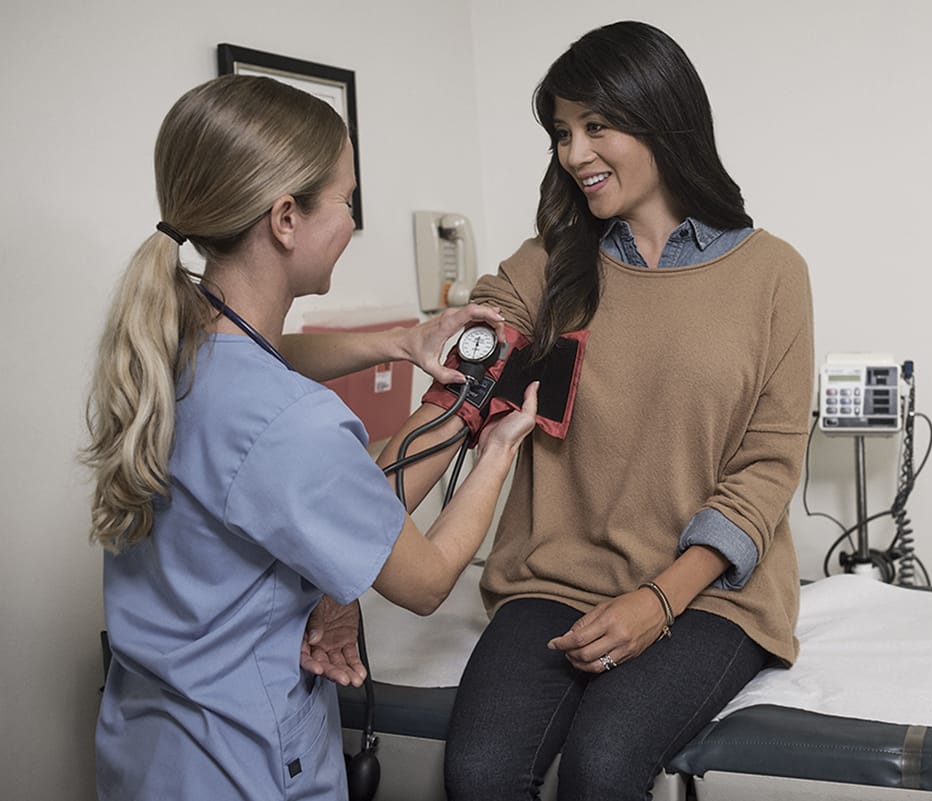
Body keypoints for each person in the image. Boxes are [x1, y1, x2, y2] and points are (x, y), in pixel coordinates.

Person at [83, 74, 537, 801]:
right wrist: (497, 445)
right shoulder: (293, 423)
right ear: (285, 217)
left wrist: (398, 341)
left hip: (149, 750)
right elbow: (422, 580)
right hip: (245, 768)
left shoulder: (164, 349)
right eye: (347, 201)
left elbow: (278, 373)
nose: (352, 224)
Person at [398, 20, 814, 800]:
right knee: (480, 772)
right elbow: (457, 396)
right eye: (562, 131)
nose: (574, 152)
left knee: (603, 764)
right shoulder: (546, 266)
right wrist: (347, 542)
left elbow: (766, 470)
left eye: (598, 125)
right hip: (554, 578)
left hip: (712, 596)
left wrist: (660, 600)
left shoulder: (774, 275)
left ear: (664, 118)